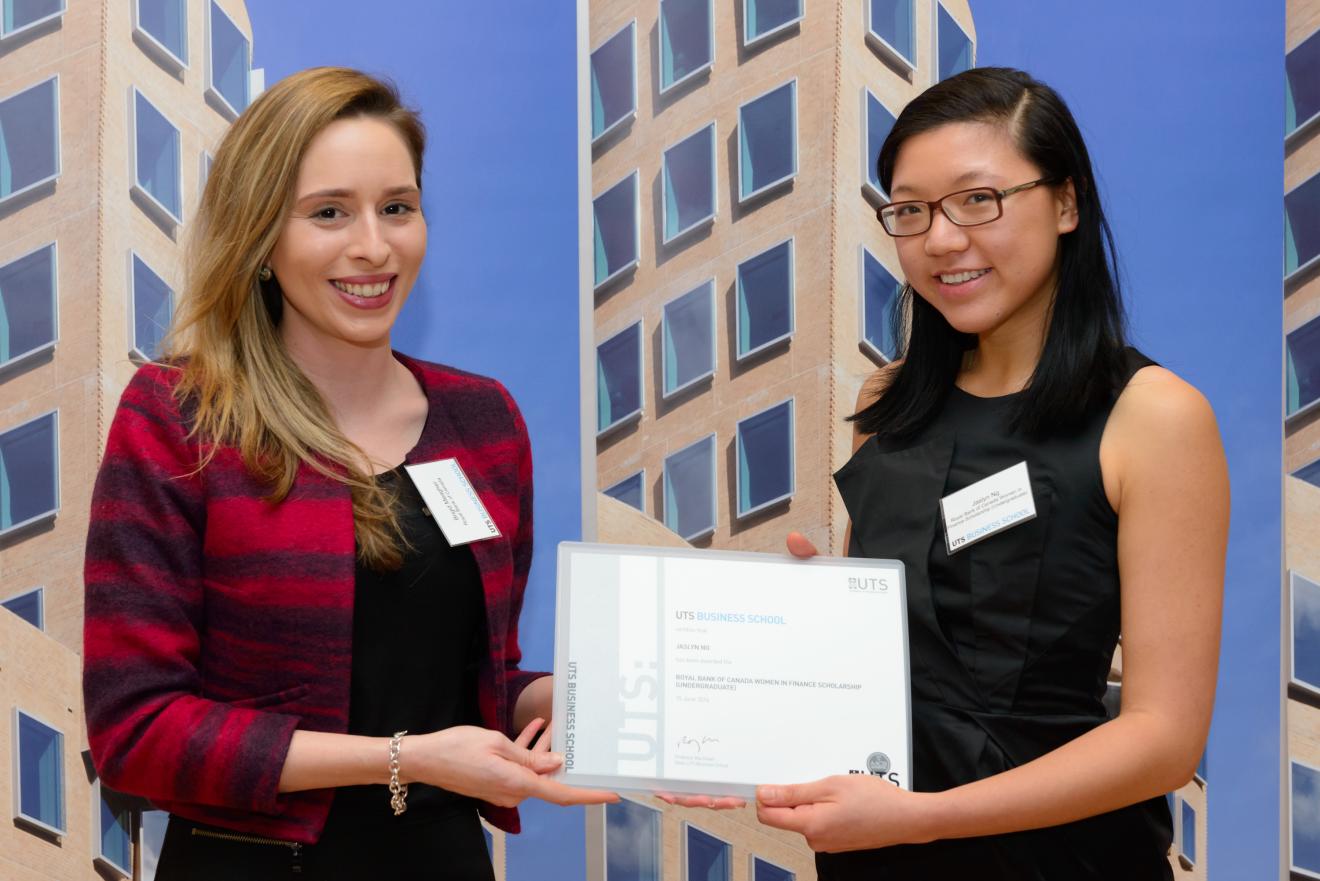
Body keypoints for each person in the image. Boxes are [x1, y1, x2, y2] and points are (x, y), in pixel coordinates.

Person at [83, 67, 612, 880]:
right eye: (329, 212)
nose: (374, 245)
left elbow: (484, 675)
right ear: (260, 239)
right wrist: (405, 758)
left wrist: (565, 706)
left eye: (397, 207)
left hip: (442, 860)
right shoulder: (180, 417)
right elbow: (137, 732)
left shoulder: (485, 421)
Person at [746, 68, 1227, 879]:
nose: (940, 239)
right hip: (880, 845)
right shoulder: (891, 397)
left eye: (978, 200)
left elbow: (1164, 739)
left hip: (1056, 856)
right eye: (911, 210)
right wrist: (826, 622)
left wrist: (925, 820)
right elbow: (929, 645)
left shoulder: (1155, 416)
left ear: (1066, 203)